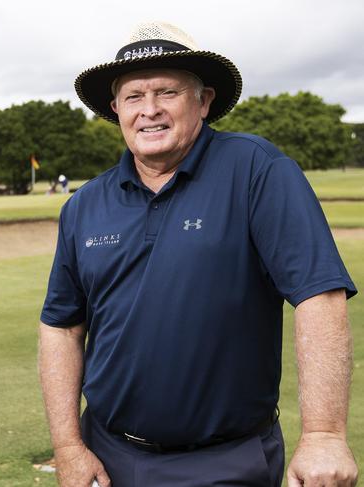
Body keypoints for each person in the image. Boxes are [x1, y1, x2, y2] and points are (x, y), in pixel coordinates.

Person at [38, 21, 358, 487]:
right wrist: (68, 447)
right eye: (133, 97)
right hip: (107, 458)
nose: (149, 111)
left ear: (203, 101)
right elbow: (62, 326)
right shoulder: (85, 205)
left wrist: (325, 434)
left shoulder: (256, 169)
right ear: (115, 109)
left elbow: (319, 295)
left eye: (167, 92)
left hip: (228, 462)